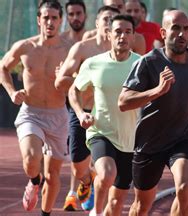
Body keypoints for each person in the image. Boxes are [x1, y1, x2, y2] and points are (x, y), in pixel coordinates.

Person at [118, 10, 188, 215]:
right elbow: (123, 102)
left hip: (182, 138)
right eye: (176, 28)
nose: (182, 34)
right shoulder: (148, 62)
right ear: (163, 32)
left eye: (186, 29)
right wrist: (157, 90)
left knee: (184, 188)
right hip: (149, 142)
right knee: (142, 206)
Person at [0, 1, 71, 215]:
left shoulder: (68, 51)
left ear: (60, 20)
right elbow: (3, 67)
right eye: (46, 18)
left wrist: (66, 78)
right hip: (31, 113)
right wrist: (12, 92)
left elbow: (80, 83)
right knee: (31, 160)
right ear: (39, 20)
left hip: (58, 115)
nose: (50, 22)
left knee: (54, 175)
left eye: (54, 18)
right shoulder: (25, 46)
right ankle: (34, 180)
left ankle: (45, 213)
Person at [69, 14, 140, 216]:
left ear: (134, 37)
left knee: (117, 203)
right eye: (118, 31)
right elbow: (74, 90)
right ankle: (97, 212)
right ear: (109, 34)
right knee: (107, 173)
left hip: (130, 139)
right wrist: (81, 112)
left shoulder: (142, 64)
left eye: (128, 32)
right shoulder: (93, 63)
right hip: (101, 131)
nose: (122, 36)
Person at [55, 5, 121, 212]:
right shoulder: (83, 48)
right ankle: (87, 179)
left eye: (113, 19)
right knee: (78, 165)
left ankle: (103, 205)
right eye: (106, 19)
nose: (109, 23)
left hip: (109, 115)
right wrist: (81, 79)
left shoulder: (121, 51)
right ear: (98, 23)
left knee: (112, 165)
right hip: (82, 112)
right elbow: (60, 80)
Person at [59, 0, 88, 211]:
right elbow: (60, 77)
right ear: (66, 17)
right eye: (71, 14)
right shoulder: (60, 42)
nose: (75, 17)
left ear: (85, 15)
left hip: (87, 102)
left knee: (86, 149)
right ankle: (74, 189)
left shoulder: (90, 41)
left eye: (79, 13)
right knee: (72, 150)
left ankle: (77, 191)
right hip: (63, 101)